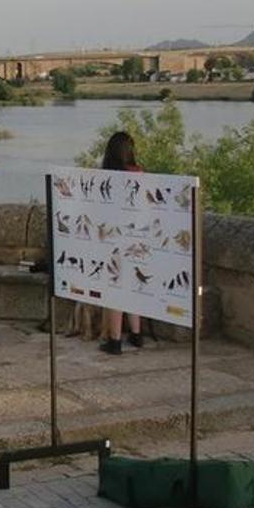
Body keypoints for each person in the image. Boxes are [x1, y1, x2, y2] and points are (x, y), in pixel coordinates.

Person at [99, 132, 145, 356]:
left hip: (114, 238)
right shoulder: (139, 173)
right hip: (137, 237)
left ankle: (115, 339)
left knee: (114, 288)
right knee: (134, 284)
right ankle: (137, 334)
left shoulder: (107, 177)